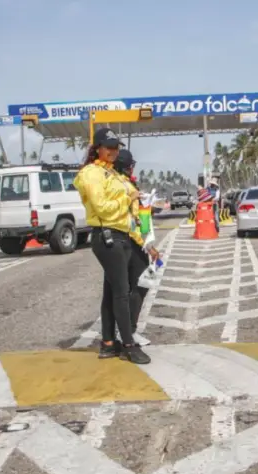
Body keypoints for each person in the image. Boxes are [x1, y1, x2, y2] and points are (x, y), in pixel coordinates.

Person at [73, 128, 150, 364]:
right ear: (97, 147)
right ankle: (129, 344)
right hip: (107, 235)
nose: (113, 151)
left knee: (112, 292)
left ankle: (108, 343)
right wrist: (129, 198)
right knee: (122, 293)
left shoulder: (111, 173)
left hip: (122, 235)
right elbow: (102, 207)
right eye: (108, 147)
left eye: (116, 147)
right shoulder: (91, 173)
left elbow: (124, 204)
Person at [114, 148, 160, 347]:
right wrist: (148, 246)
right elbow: (131, 221)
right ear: (127, 166)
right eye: (132, 164)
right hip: (132, 243)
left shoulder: (123, 183)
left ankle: (127, 330)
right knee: (140, 285)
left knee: (136, 286)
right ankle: (128, 331)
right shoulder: (125, 185)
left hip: (128, 241)